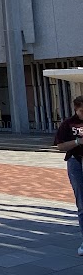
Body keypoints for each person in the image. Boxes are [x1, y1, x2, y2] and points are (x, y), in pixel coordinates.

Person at [54, 95, 83, 255]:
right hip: (76, 162)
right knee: (82, 202)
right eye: (82, 111)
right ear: (76, 110)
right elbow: (60, 146)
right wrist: (78, 142)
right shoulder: (68, 124)